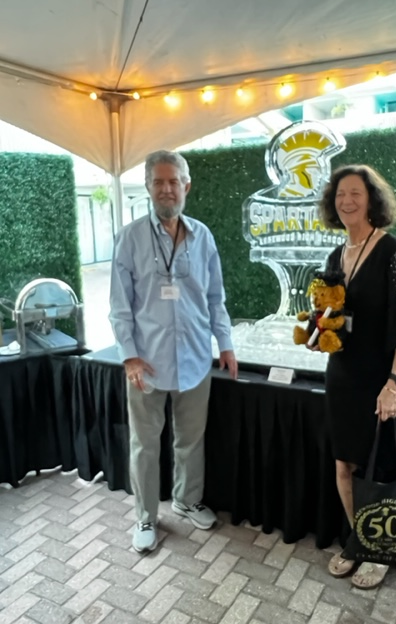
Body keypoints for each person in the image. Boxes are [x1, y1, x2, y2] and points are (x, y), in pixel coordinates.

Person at [109, 150, 238, 553]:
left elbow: (215, 298)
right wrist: (129, 356)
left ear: (186, 186)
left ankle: (186, 500)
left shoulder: (203, 237)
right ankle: (146, 517)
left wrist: (225, 344)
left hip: (196, 358)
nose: (167, 189)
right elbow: (119, 305)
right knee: (145, 444)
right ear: (148, 187)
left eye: (174, 181)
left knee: (190, 439)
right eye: (159, 182)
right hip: (146, 363)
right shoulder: (130, 238)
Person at [318, 164, 396, 589]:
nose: (347, 201)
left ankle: (380, 550)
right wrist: (319, 333)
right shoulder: (334, 256)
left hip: (384, 380)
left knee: (379, 468)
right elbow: (333, 316)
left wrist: (393, 384)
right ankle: (360, 541)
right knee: (345, 464)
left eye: (355, 193)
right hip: (343, 376)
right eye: (340, 194)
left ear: (371, 200)